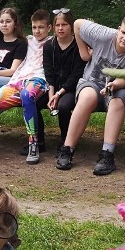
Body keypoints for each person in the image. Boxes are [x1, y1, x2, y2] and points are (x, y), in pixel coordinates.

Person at [55, 12, 125, 176]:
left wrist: (114, 84)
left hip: (121, 86)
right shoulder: (103, 34)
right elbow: (77, 24)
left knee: (116, 101)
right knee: (87, 97)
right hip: (92, 82)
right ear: (118, 29)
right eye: (123, 32)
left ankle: (107, 155)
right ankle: (67, 149)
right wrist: (84, 53)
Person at [0, 9, 52, 166]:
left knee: (27, 95)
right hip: (18, 80)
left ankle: (33, 143)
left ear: (49, 28)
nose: (37, 31)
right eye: (34, 27)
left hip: (38, 80)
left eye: (41, 27)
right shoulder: (28, 41)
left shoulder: (53, 42)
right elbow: (13, 40)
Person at [36, 8, 86, 154]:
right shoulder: (49, 46)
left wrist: (59, 94)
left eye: (64, 24)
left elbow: (77, 74)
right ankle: (38, 140)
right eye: (57, 25)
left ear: (71, 26)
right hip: (53, 86)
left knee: (63, 107)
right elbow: (48, 71)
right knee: (33, 101)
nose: (60, 28)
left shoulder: (78, 45)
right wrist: (52, 93)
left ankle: (66, 140)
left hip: (71, 88)